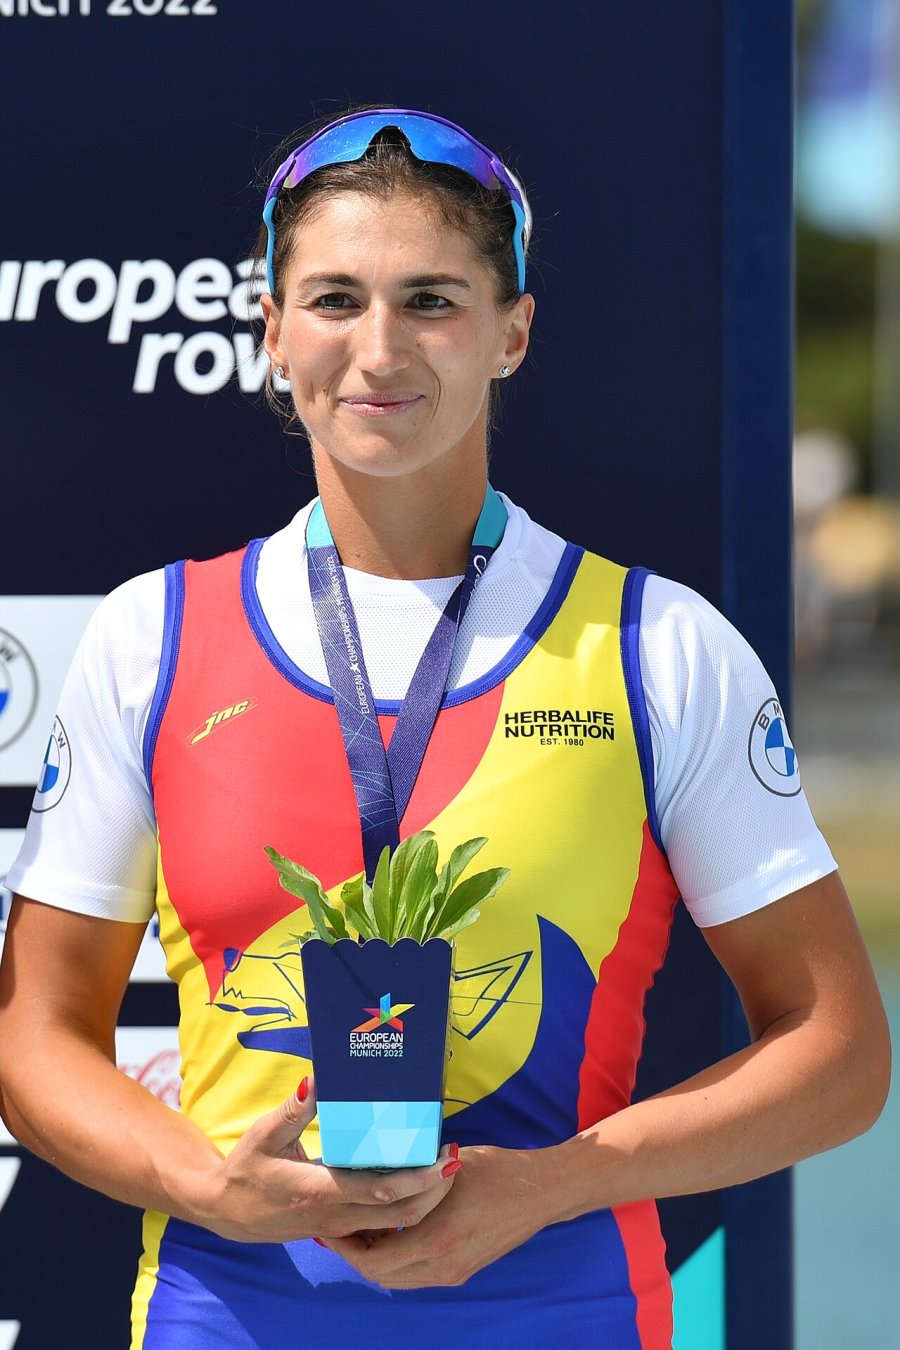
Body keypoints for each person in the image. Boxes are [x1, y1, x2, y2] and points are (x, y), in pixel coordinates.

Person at [0, 107, 889, 1349]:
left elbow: (840, 1052)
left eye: (431, 300)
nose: (378, 351)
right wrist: (207, 1187)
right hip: (223, 1318)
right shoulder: (153, 635)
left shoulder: (656, 644)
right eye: (333, 300)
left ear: (511, 332)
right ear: (271, 330)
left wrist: (554, 1184)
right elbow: (35, 1036)